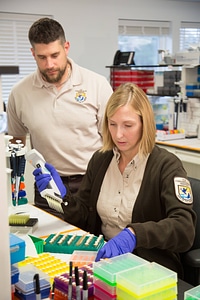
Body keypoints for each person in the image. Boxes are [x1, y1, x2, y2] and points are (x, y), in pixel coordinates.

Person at [33, 82, 196, 278]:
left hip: (148, 267)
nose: (118, 134)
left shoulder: (166, 165)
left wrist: (135, 234)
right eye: (112, 124)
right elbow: (84, 216)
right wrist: (62, 197)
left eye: (128, 125)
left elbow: (184, 229)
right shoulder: (101, 160)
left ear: (145, 124)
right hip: (104, 260)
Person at [7, 17, 113, 218]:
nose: (50, 64)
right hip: (46, 183)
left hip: (90, 182)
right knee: (48, 242)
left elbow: (111, 140)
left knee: (88, 242)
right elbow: (16, 144)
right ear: (33, 53)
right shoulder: (19, 93)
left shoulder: (97, 84)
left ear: (66, 47)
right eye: (42, 57)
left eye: (55, 55)